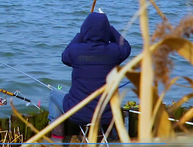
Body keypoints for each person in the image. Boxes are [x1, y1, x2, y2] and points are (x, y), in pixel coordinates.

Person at [48, 11, 131, 141]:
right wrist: (110, 29)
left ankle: (56, 141)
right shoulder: (114, 51)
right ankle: (111, 138)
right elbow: (126, 46)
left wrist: (81, 35)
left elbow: (65, 57)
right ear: (106, 32)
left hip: (78, 113)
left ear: (85, 29)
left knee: (54, 94)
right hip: (107, 114)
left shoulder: (75, 50)